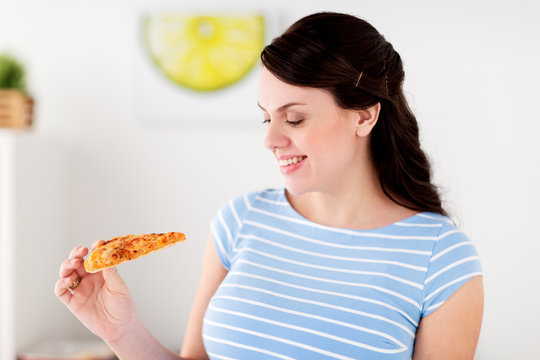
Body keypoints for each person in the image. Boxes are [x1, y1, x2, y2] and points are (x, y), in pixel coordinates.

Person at [56, 12, 483, 360]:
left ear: (365, 116)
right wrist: (121, 331)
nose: (270, 138)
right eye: (267, 116)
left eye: (294, 119)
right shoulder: (240, 221)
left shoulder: (440, 260)